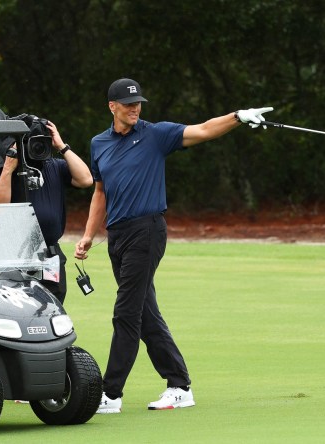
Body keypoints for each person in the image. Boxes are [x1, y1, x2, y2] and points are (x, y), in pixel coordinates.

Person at [74, 78, 272, 413]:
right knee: (146, 315)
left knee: (126, 313)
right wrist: (88, 234)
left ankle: (110, 394)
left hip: (147, 231)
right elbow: (100, 191)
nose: (135, 108)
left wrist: (237, 116)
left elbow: (204, 130)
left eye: (138, 103)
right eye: (128, 104)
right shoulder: (99, 143)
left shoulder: (156, 134)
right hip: (117, 236)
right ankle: (179, 386)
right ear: (112, 107)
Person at [0, 120, 93, 304]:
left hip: (50, 255)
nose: (37, 147)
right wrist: (8, 169)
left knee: (52, 309)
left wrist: (62, 146)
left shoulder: (55, 166)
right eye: (32, 142)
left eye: (41, 142)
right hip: (13, 255)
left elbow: (86, 179)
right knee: (14, 312)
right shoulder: (6, 168)